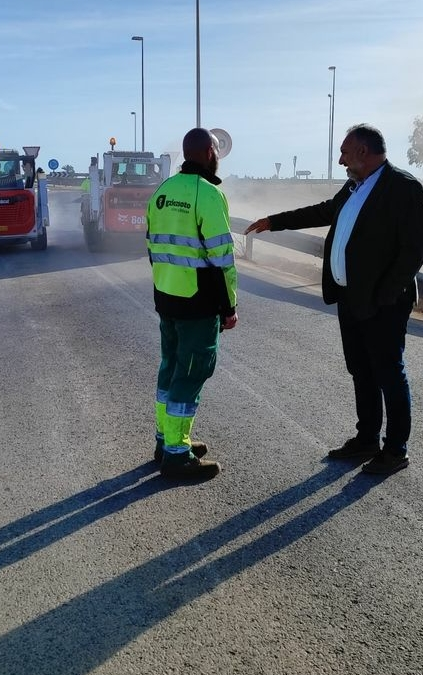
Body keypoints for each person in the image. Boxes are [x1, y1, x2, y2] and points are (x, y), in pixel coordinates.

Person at [244, 123, 423, 475]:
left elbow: (416, 248)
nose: (340, 158)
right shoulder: (354, 186)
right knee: (361, 369)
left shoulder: (403, 188)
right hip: (351, 297)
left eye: (345, 151)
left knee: (389, 373)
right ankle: (366, 439)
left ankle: (395, 450)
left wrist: (385, 296)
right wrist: (274, 221)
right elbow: (322, 212)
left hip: (383, 303)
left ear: (363, 152)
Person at [147, 127, 238, 480]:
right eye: (216, 149)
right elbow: (223, 259)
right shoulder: (208, 194)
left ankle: (166, 439)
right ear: (208, 153)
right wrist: (229, 306)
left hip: (166, 297)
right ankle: (176, 455)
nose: (218, 155)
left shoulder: (162, 191)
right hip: (198, 304)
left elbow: (152, 247)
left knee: (170, 368)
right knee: (191, 373)